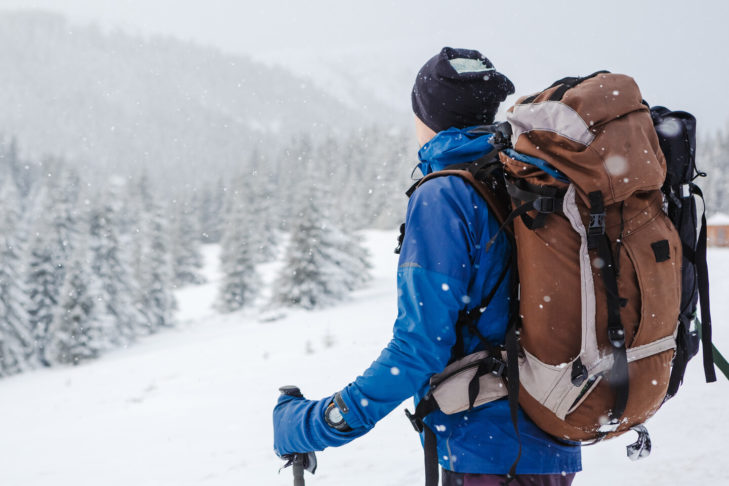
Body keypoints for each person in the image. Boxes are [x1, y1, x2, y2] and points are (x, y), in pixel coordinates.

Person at [273, 47, 581, 486]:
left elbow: (418, 350)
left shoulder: (445, 196)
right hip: (551, 441)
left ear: (429, 115)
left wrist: (314, 424)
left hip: (487, 454)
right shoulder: (524, 179)